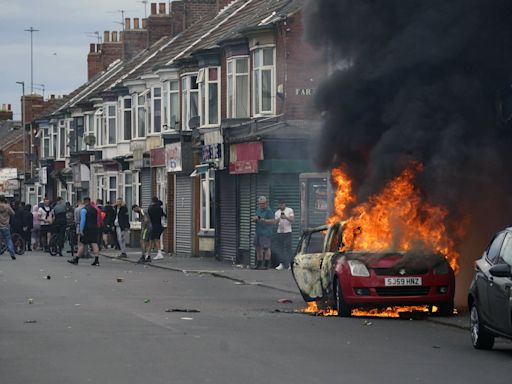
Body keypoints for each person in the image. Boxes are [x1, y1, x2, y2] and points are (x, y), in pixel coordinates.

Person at [67, 197, 101, 266]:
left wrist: (81, 230)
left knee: (82, 244)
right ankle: (96, 259)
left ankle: (76, 259)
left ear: (84, 202)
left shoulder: (84, 210)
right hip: (94, 228)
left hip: (86, 228)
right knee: (94, 243)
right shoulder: (95, 209)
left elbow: (83, 220)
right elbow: (97, 219)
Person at [252, 196, 276, 269]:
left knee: (266, 248)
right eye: (260, 203)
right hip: (258, 231)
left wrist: (262, 220)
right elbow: (257, 218)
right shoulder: (258, 210)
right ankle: (259, 264)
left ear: (266, 203)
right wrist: (255, 219)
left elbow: (272, 221)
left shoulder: (269, 211)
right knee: (258, 247)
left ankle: (266, 265)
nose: (261, 205)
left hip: (266, 232)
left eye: (262, 203)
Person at [274, 200, 295, 270]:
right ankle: (282, 264)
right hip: (280, 232)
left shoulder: (290, 210)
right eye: (280, 205)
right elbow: (275, 223)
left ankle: (290, 264)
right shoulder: (277, 213)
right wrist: (278, 219)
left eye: (282, 204)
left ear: (285, 204)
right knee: (280, 249)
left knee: (288, 248)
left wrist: (285, 217)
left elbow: (292, 220)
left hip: (288, 232)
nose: (281, 206)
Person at [0, 195, 16, 260]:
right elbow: (13, 213)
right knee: (8, 240)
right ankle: (12, 253)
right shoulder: (7, 207)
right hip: (5, 226)